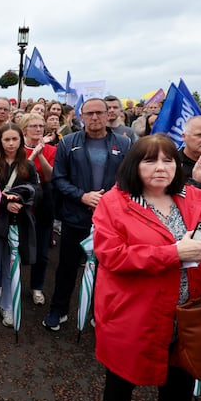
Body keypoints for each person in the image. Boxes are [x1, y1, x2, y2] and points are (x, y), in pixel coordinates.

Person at [92, 134, 201, 401]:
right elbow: (112, 255)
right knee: (120, 383)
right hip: (132, 314)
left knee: (179, 390)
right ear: (134, 165)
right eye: (150, 160)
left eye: (168, 160)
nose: (161, 168)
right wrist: (173, 253)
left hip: (188, 315)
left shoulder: (197, 198)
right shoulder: (113, 203)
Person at [44, 98, 131, 331]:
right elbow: (59, 179)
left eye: (99, 113)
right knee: (67, 266)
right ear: (81, 116)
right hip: (76, 215)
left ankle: (99, 313)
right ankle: (58, 310)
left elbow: (129, 181)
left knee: (106, 269)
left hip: (110, 220)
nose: (95, 117)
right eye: (89, 113)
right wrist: (83, 196)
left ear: (108, 114)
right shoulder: (68, 143)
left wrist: (107, 201)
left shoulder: (124, 144)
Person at [0, 124, 40, 327]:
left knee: (10, 266)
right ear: (0, 142)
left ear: (20, 140)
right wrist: (7, 202)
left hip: (17, 221)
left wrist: (20, 199)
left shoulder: (27, 165)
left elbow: (35, 190)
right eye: (7, 139)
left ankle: (7, 304)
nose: (11, 143)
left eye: (15, 139)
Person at [21, 113, 57, 305]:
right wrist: (32, 153)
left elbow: (51, 176)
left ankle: (37, 287)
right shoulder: (17, 149)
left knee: (42, 251)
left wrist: (41, 154)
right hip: (22, 202)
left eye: (41, 126)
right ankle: (9, 284)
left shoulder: (51, 150)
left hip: (44, 203)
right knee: (17, 246)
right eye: (33, 126)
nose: (38, 129)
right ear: (24, 128)